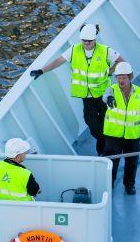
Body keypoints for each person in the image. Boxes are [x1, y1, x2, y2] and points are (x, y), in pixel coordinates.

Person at [30, 23, 124, 155]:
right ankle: (108, 146)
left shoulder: (105, 50)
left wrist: (110, 71)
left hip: (104, 95)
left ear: (95, 39)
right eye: (84, 41)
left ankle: (104, 153)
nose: (86, 43)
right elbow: (58, 61)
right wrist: (42, 70)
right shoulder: (74, 50)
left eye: (89, 41)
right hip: (87, 97)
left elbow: (121, 61)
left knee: (105, 125)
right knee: (93, 125)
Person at [102, 62, 140, 195]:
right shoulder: (112, 90)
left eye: (124, 77)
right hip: (113, 134)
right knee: (112, 162)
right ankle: (108, 185)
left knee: (132, 162)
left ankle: (129, 185)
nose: (121, 80)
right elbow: (105, 97)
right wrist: (109, 98)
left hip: (132, 135)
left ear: (130, 77)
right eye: (118, 77)